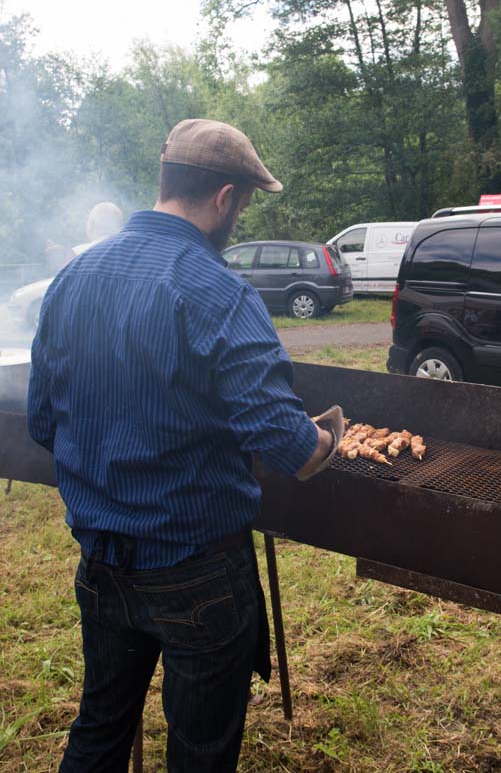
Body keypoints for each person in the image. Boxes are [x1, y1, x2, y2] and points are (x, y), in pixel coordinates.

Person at [28, 118, 340, 773]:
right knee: (199, 753)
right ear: (225, 198)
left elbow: (43, 423)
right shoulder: (217, 290)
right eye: (245, 204)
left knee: (99, 728)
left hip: (101, 564)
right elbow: (289, 447)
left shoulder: (73, 279)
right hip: (198, 571)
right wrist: (329, 434)